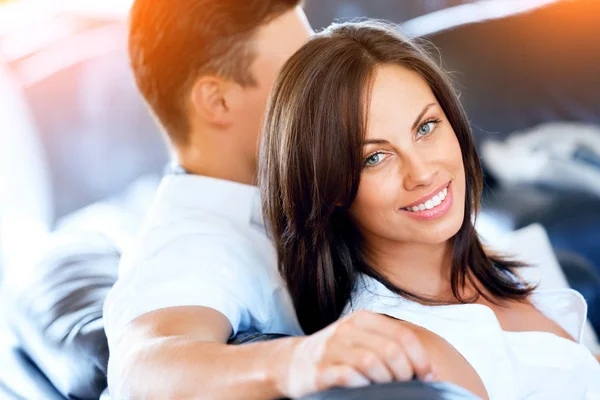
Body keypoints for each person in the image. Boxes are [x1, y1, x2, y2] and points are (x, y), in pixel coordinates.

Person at [104, 3, 442, 399]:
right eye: (298, 70)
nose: (327, 85)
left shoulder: (298, 187)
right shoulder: (194, 241)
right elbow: (140, 367)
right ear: (217, 102)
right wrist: (300, 360)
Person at [259, 20, 600, 400]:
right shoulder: (406, 350)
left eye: (425, 128)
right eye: (375, 157)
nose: (421, 172)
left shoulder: (481, 268)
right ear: (329, 186)